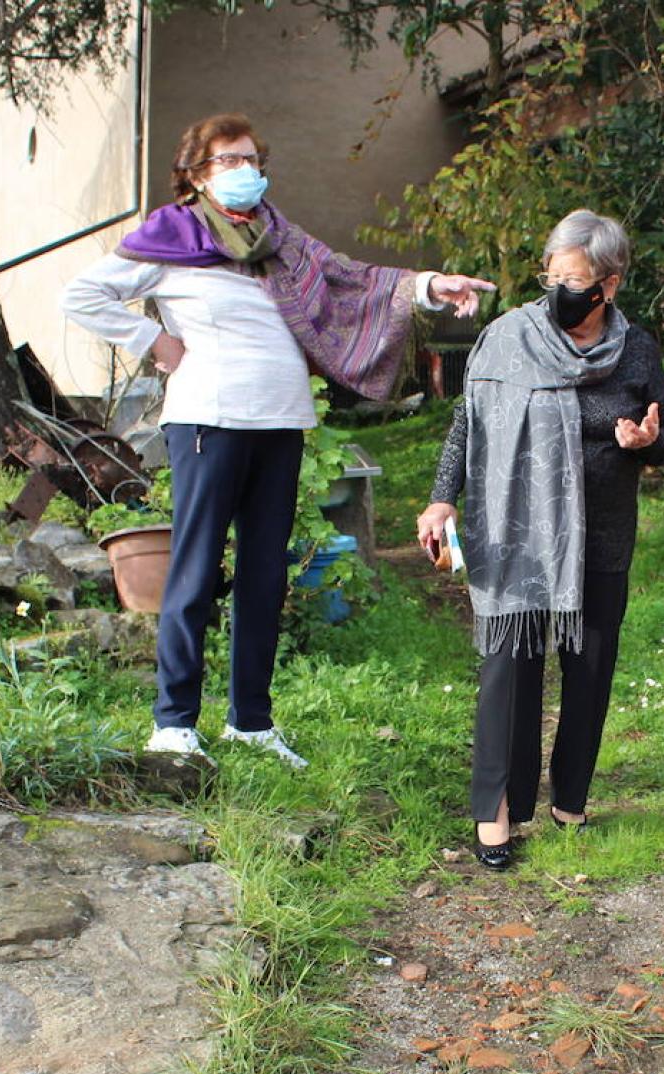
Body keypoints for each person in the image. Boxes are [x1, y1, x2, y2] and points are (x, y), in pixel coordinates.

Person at [62, 112, 493, 767]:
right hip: (209, 419)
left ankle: (251, 726)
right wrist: (155, 341)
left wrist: (431, 286)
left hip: (282, 422)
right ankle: (174, 724)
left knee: (265, 574)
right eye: (227, 161)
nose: (243, 172)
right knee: (196, 570)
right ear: (197, 173)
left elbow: (350, 280)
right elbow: (83, 295)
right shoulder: (170, 234)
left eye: (251, 159)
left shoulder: (280, 240)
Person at [417, 209, 664, 870]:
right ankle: (496, 811)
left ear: (610, 284)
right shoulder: (509, 337)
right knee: (509, 668)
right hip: (518, 534)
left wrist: (646, 445)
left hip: (603, 532)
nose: (563, 290)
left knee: (588, 670)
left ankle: (571, 801)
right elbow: (469, 422)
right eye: (555, 276)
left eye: (578, 279)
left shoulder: (637, 349)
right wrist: (442, 496)